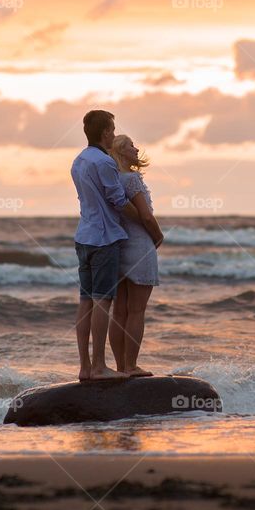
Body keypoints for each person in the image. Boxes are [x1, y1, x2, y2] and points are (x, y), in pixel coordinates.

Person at [71, 109, 139, 381]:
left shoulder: (78, 161)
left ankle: (85, 367)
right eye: (112, 129)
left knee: (85, 301)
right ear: (104, 132)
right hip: (104, 237)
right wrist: (146, 222)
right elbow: (118, 201)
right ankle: (99, 366)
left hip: (83, 236)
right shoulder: (104, 162)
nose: (114, 133)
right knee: (102, 301)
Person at [108, 134, 164, 378]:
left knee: (119, 311)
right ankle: (131, 365)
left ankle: (120, 366)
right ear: (121, 152)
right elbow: (146, 216)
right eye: (130, 145)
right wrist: (158, 235)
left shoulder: (112, 180)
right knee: (137, 310)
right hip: (139, 245)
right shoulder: (132, 179)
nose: (136, 148)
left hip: (118, 246)